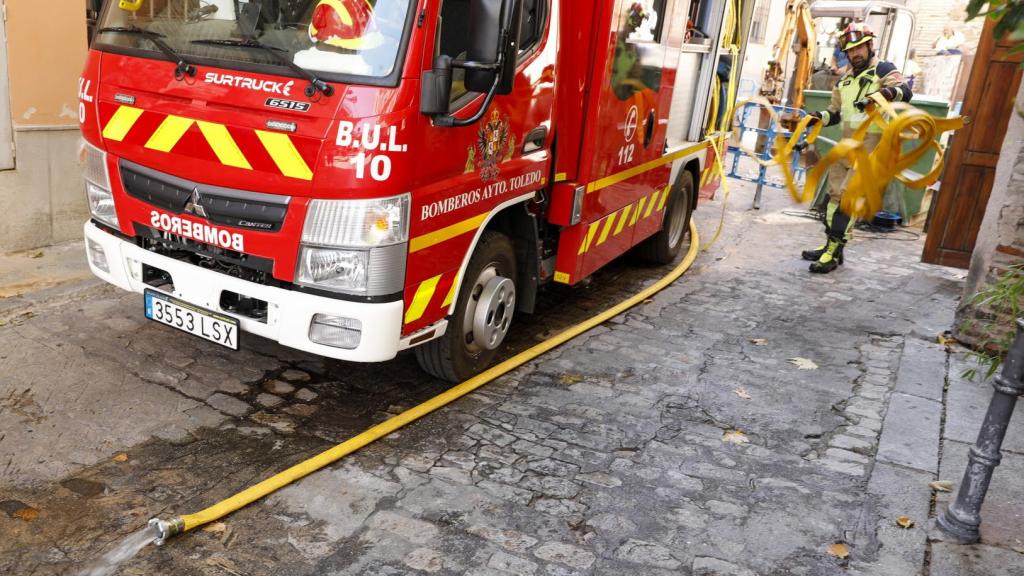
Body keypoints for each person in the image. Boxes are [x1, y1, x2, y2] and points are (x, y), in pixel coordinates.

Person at [802, 23, 913, 274]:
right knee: (834, 197)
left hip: (872, 144)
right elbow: (835, 114)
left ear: (870, 46)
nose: (856, 54)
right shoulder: (844, 81)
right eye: (851, 50)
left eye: (860, 47)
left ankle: (831, 255)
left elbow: (905, 91)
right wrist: (818, 116)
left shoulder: (884, 69)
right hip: (847, 143)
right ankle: (832, 248)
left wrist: (883, 92)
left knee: (847, 199)